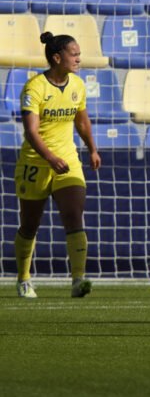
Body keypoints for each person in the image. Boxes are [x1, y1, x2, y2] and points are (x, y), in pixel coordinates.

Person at [13, 32, 101, 299]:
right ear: (57, 57)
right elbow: (31, 132)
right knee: (30, 224)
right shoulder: (35, 88)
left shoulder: (77, 85)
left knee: (74, 216)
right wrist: (50, 158)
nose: (78, 58)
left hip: (68, 160)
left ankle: (78, 280)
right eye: (73, 54)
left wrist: (93, 149)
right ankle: (24, 279)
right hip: (36, 163)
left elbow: (82, 121)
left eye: (78, 53)